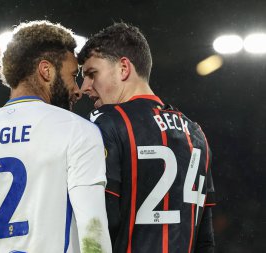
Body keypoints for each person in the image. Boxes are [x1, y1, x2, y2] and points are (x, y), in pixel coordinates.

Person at [0, 20, 112, 253]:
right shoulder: (78, 131)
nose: (78, 89)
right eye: (73, 75)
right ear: (46, 70)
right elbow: (93, 234)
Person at [78, 22, 215, 253]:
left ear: (123, 68)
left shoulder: (108, 122)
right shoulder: (196, 133)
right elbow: (205, 239)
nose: (84, 87)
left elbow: (100, 225)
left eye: (92, 74)